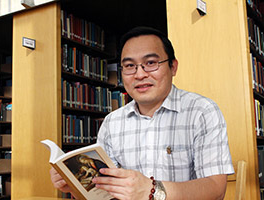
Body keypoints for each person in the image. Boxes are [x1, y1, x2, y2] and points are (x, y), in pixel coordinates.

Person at [50, 26, 234, 200]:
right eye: (129, 66)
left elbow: (215, 189)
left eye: (151, 63)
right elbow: (107, 189)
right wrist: (77, 184)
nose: (139, 75)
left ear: (173, 67)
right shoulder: (112, 122)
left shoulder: (202, 111)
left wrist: (152, 190)